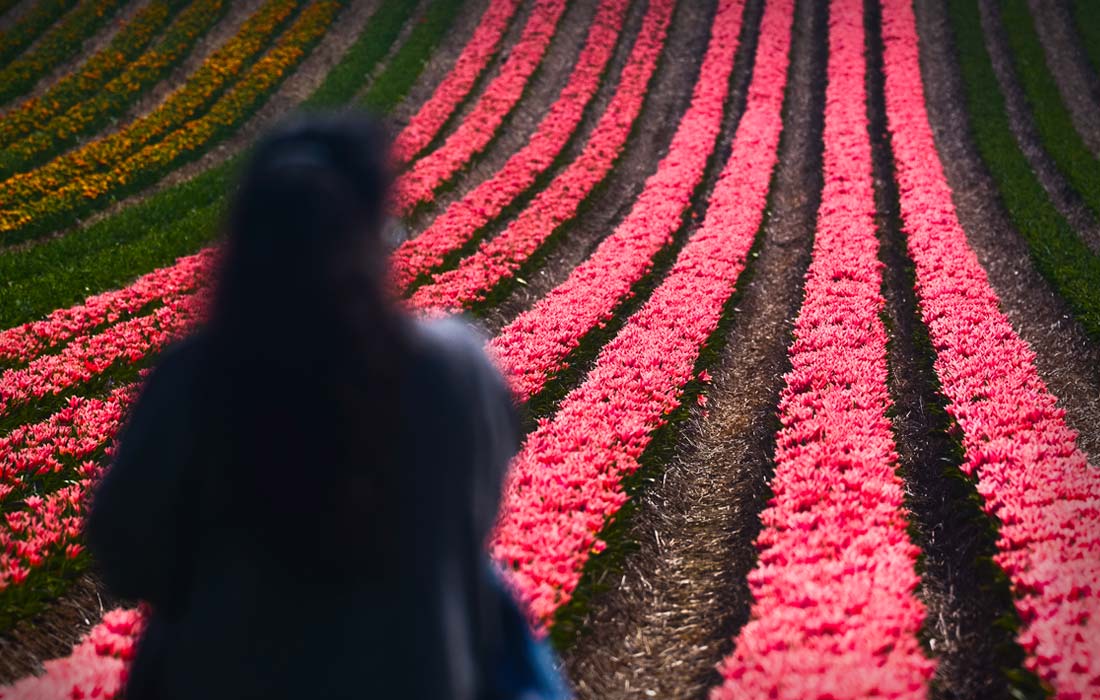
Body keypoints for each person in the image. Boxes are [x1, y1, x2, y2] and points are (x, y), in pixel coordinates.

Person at [86, 113, 570, 700]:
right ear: (371, 229)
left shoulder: (194, 378)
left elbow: (126, 556)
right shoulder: (455, 371)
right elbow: (476, 509)